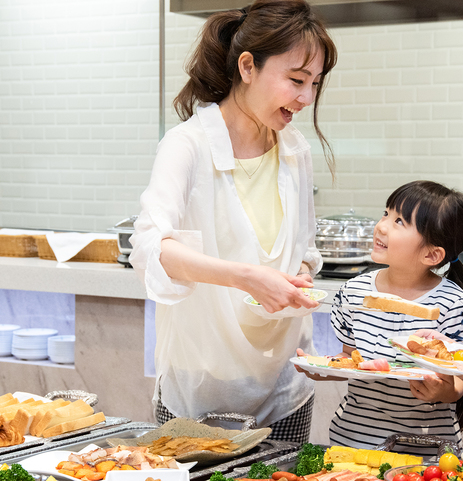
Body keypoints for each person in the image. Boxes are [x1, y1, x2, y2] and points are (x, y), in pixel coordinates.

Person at [128, 0, 337, 443]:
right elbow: (150, 248)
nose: (306, 97)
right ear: (247, 66)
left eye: (315, 83)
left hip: (284, 388)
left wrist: (298, 277)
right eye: (296, 80)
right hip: (199, 389)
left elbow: (305, 249)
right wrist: (247, 278)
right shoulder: (187, 145)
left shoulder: (295, 150)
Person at [298, 180, 463, 456]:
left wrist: (438, 391)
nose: (381, 226)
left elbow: (457, 386)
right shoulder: (354, 291)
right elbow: (352, 359)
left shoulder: (455, 305)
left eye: (399, 221)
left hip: (425, 453)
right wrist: (321, 369)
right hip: (354, 441)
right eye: (386, 213)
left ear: (432, 254)